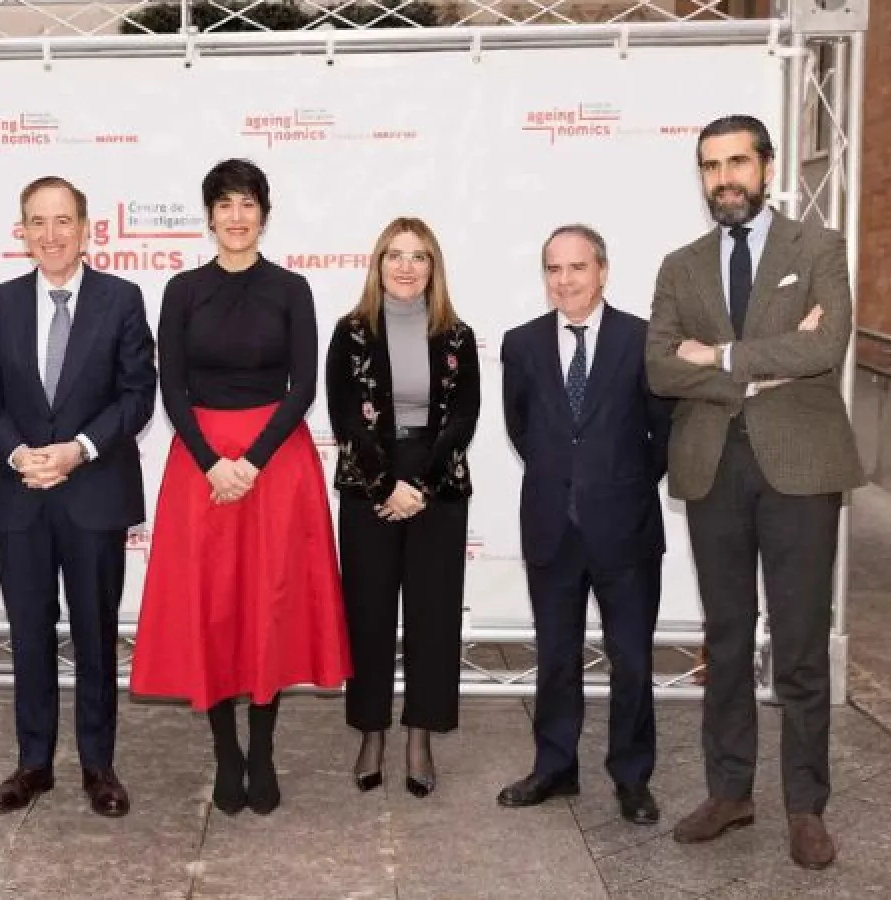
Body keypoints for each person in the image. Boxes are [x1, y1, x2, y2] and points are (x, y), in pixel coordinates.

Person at [647, 114, 863, 870]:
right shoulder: (680, 265)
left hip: (801, 465)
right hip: (713, 466)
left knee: (800, 643)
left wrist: (719, 356)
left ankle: (807, 807)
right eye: (711, 167)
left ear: (766, 168)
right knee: (728, 640)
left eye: (737, 162)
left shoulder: (818, 247)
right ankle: (730, 791)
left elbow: (825, 346)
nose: (724, 179)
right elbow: (660, 367)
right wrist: (759, 370)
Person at [130, 159, 351, 817]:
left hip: (276, 463)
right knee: (215, 608)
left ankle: (263, 749)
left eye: (247, 204)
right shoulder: (182, 290)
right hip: (201, 464)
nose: (236, 216)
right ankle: (227, 752)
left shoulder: (291, 289)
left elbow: (303, 386)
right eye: (224, 204)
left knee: (269, 605)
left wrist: (251, 461)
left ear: (264, 214)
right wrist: (212, 463)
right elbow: (172, 389)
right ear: (209, 216)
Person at [0, 176, 157, 818]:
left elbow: (137, 394)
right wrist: (19, 453)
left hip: (93, 492)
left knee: (95, 634)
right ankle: (33, 763)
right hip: (21, 492)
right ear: (22, 231)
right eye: (37, 222)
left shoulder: (121, 299)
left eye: (62, 221)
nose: (50, 235)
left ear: (86, 228)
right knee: (28, 633)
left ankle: (98, 766)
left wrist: (79, 449)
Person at [494, 224, 672, 825]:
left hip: (626, 529)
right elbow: (523, 430)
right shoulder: (521, 344)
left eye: (577, 267)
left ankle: (632, 778)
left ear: (602, 271)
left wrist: (615, 485)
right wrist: (568, 484)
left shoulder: (641, 340)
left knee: (633, 661)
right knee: (556, 657)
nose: (565, 280)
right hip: (552, 527)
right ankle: (555, 767)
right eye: (554, 269)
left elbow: (661, 435)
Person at [323, 217, 479, 798]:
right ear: (379, 264)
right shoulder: (351, 332)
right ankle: (371, 733)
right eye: (395, 255)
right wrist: (386, 485)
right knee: (367, 615)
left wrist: (422, 485)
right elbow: (344, 415)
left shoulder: (458, 335)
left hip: (438, 486)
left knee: (433, 619)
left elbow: (464, 417)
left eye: (418, 256)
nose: (406, 266)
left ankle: (420, 736)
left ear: (433, 267)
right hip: (370, 486)